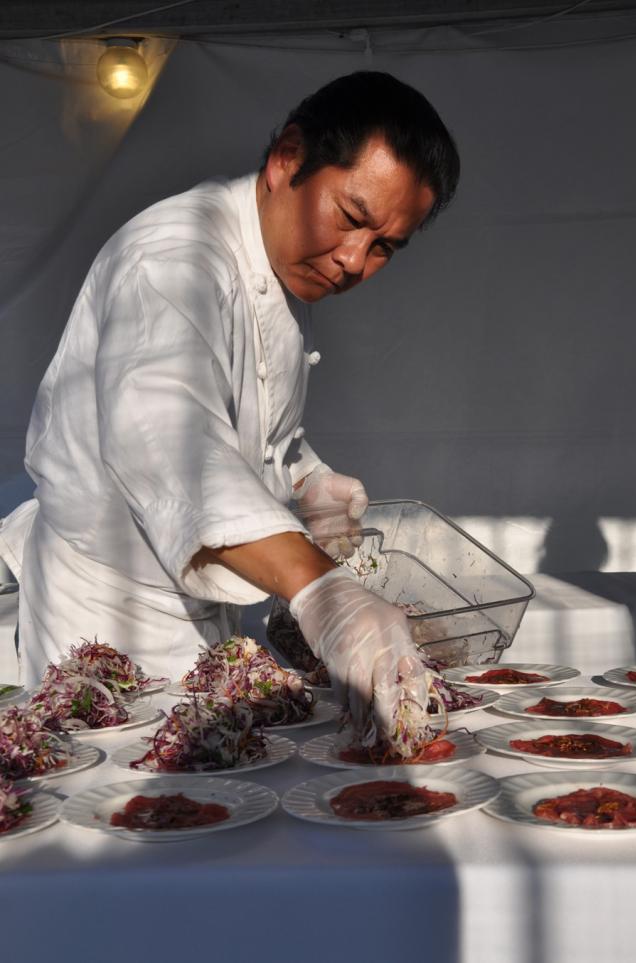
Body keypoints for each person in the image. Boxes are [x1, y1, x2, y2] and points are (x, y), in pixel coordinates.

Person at [0, 71, 459, 750]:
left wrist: (302, 477)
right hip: (106, 621)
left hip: (205, 612)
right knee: (129, 798)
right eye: (351, 217)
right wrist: (323, 592)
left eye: (385, 246)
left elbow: (243, 416)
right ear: (288, 159)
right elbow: (173, 450)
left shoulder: (276, 263)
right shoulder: (171, 262)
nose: (354, 260)